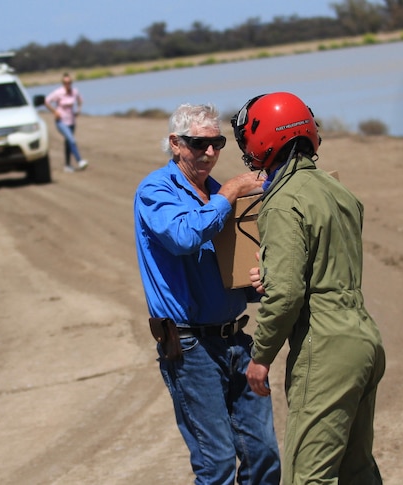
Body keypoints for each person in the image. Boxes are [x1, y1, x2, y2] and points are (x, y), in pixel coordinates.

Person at [232, 92, 386, 484]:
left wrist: (261, 356)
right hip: (364, 337)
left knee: (308, 477)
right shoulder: (338, 192)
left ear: (263, 138)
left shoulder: (282, 202)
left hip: (326, 345)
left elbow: (286, 293)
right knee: (358, 471)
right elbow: (321, 264)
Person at [133, 103, 281, 484]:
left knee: (263, 455)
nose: (211, 152)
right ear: (175, 144)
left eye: (217, 143)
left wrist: (260, 282)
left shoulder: (216, 194)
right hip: (190, 347)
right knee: (215, 464)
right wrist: (232, 190)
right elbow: (184, 236)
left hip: (236, 339)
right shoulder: (155, 190)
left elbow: (232, 271)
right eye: (200, 144)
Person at [44, 73, 88, 172]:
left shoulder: (75, 91)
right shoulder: (58, 92)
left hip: (71, 121)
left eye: (69, 82)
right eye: (65, 83)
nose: (67, 84)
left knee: (68, 142)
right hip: (61, 122)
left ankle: (67, 165)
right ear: (63, 83)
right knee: (71, 140)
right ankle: (80, 160)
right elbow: (46, 101)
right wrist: (55, 111)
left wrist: (78, 110)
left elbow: (80, 100)